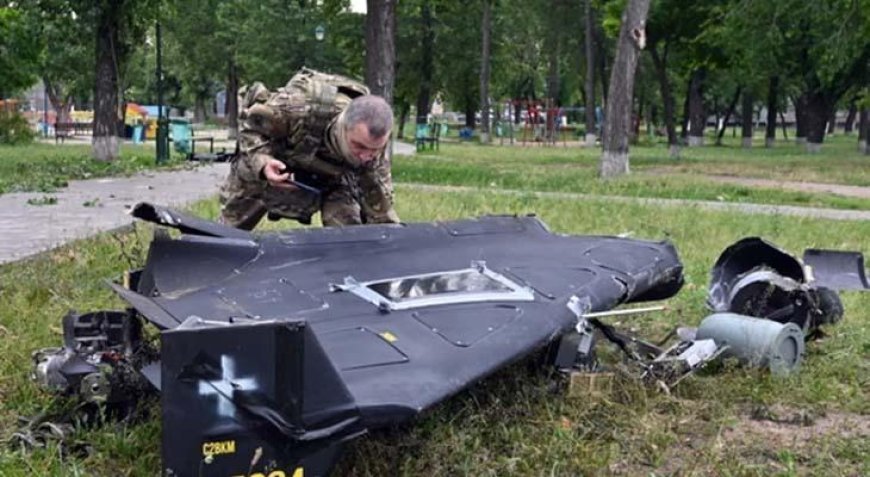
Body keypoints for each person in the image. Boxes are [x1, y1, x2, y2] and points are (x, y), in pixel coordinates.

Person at [219, 68, 400, 230]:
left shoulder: (373, 153)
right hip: (279, 163)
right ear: (343, 125)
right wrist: (264, 163)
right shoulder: (297, 107)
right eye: (359, 145)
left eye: (375, 149)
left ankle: (345, 264)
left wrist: (390, 239)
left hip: (333, 180)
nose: (366, 156)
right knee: (229, 232)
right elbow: (250, 128)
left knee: (350, 235)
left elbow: (380, 208)